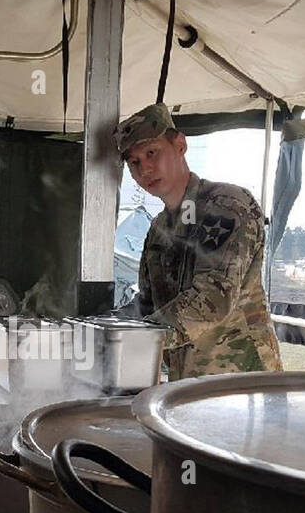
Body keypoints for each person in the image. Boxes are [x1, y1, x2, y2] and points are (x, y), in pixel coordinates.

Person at [112, 103, 282, 380]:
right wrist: (100, 326)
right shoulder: (159, 228)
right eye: (134, 162)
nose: (145, 169)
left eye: (152, 152)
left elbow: (212, 298)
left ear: (179, 145)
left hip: (242, 385)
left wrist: (131, 339)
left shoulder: (226, 204)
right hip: (188, 386)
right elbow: (146, 305)